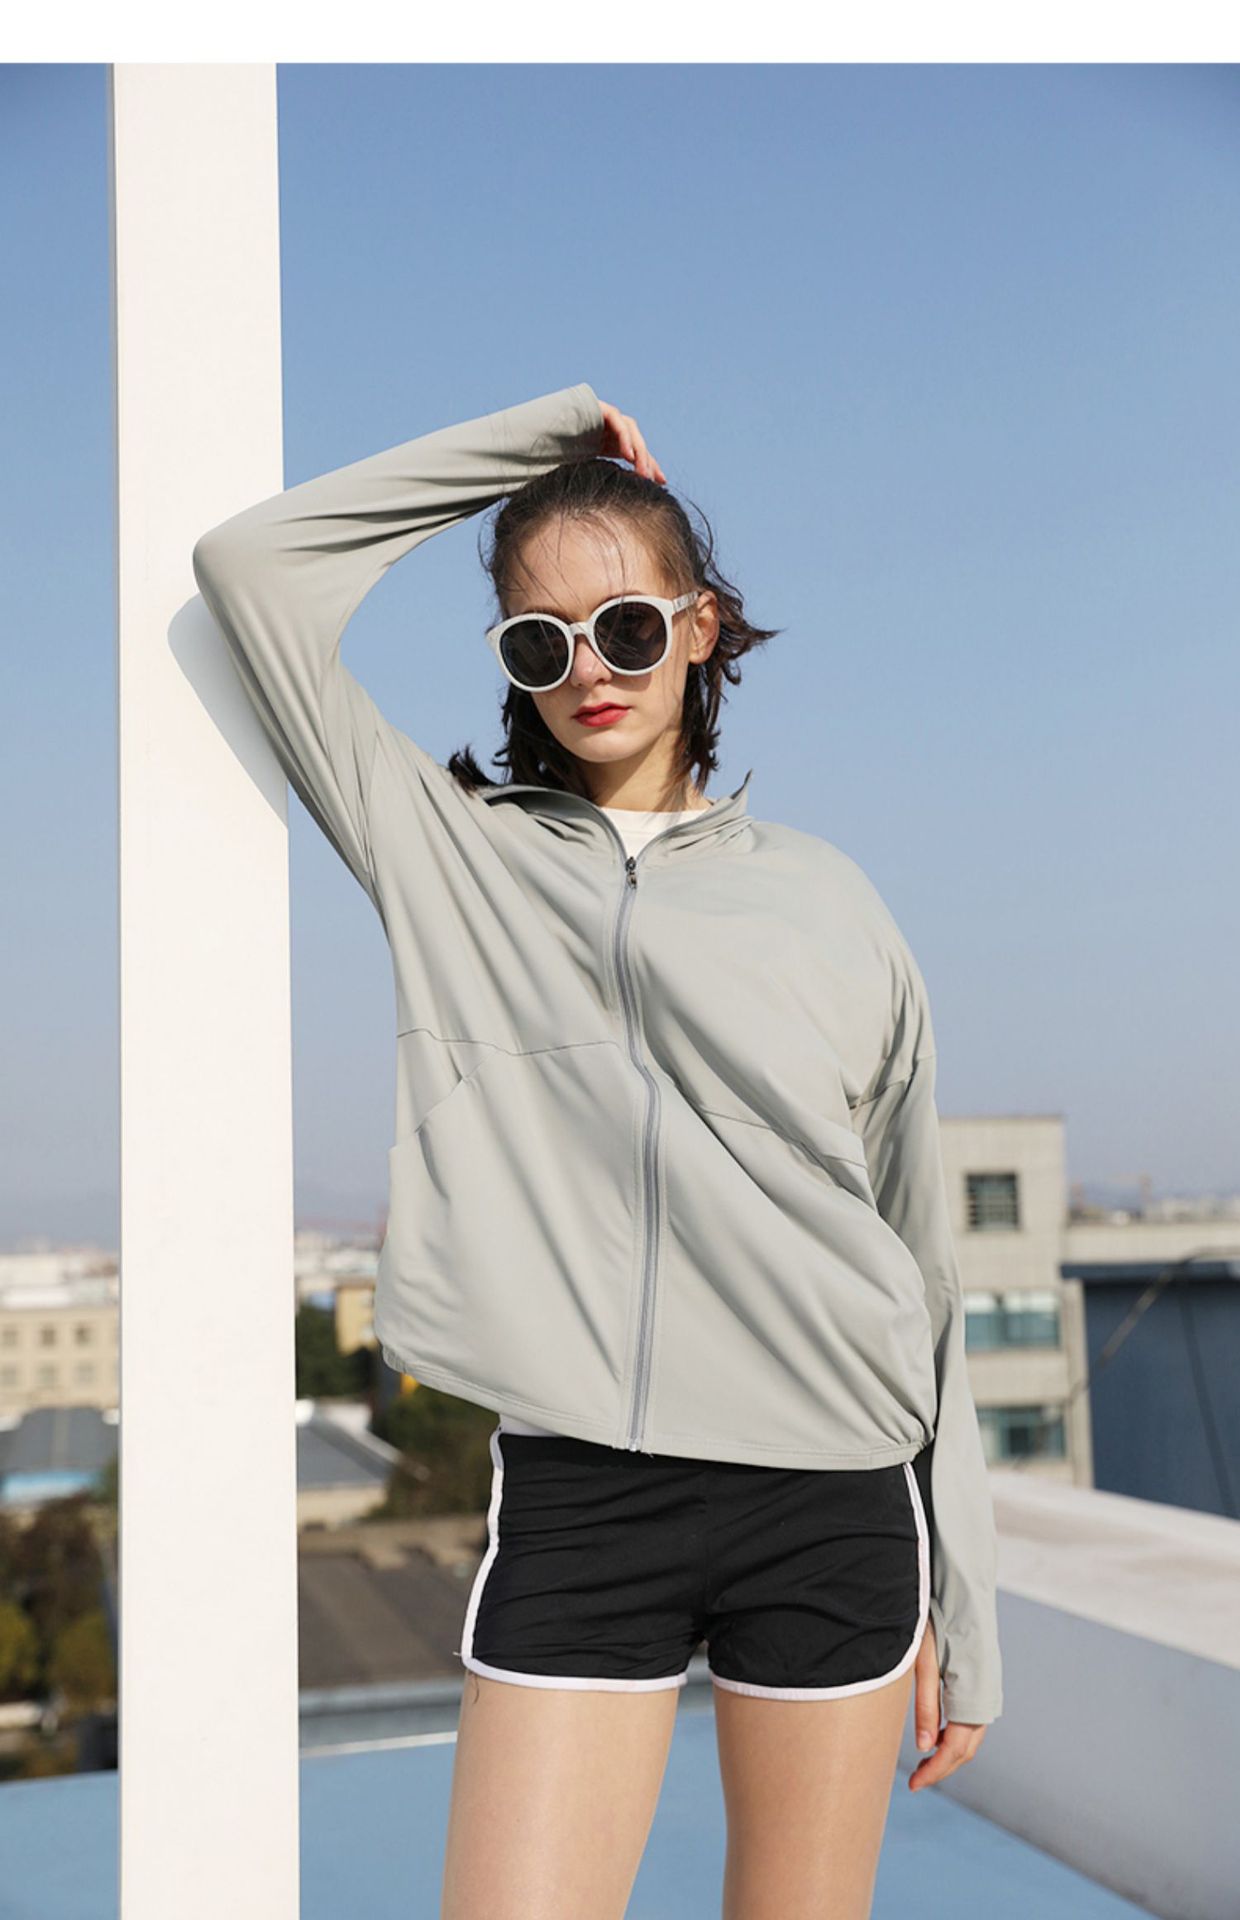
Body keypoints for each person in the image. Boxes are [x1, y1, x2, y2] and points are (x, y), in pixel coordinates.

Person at [192, 380, 1002, 1920]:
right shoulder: (455, 855)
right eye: (539, 641)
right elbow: (251, 568)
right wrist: (545, 437)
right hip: (583, 1493)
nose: (589, 671)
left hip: (831, 1493)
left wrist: (967, 1600)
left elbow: (921, 1258)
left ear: (703, 628)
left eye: (627, 627)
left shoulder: (830, 901)